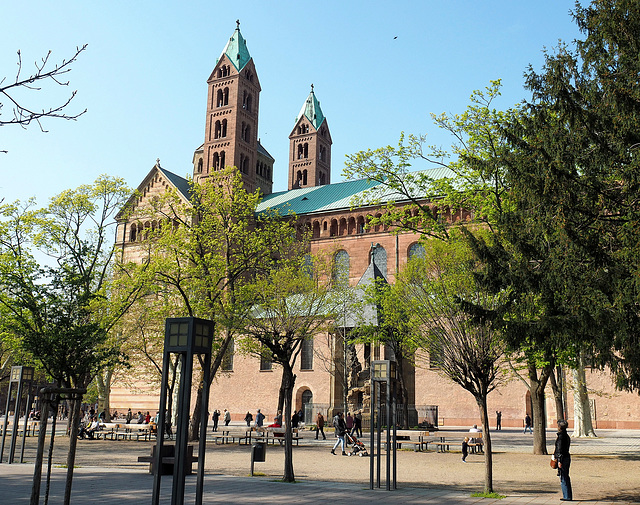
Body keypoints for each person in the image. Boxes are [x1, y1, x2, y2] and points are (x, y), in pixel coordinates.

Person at [554, 419, 572, 501]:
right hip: (566, 457)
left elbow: (560, 449)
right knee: (565, 476)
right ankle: (567, 495)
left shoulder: (561, 437)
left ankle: (567, 496)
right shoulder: (566, 436)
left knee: (563, 477)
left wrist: (559, 460)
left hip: (563, 458)